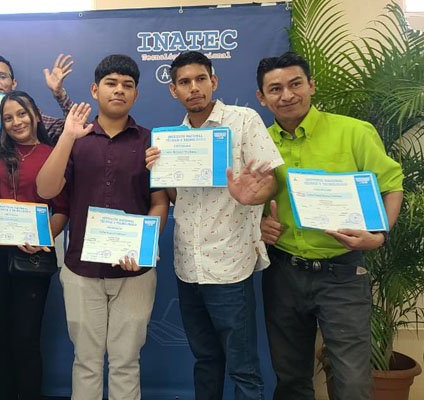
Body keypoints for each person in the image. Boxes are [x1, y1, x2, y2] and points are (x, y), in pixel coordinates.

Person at [255, 52, 404, 400]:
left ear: (311, 85)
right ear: (262, 98)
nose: (287, 95)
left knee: (352, 381)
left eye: (295, 84)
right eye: (275, 89)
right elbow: (251, 202)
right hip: (283, 272)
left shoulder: (353, 132)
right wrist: (259, 226)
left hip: (342, 272)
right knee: (290, 378)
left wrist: (379, 234)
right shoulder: (259, 143)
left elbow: (391, 185)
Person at [145, 51, 283, 400]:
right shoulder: (173, 139)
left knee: (243, 368)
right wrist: (160, 174)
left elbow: (272, 180)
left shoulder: (243, 121)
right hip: (188, 266)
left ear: (214, 81)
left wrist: (252, 196)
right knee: (205, 360)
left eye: (200, 79)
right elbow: (180, 198)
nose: (194, 88)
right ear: (173, 91)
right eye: (184, 82)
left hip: (230, 266)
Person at [36, 54, 170, 400]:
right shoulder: (75, 137)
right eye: (111, 83)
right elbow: (46, 190)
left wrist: (143, 247)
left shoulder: (150, 141)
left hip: (135, 271)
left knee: (126, 361)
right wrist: (67, 136)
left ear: (137, 95)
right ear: (95, 90)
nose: (119, 90)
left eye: (128, 85)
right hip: (81, 269)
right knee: (87, 361)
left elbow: (159, 201)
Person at [0, 53, 75, 400]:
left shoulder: (50, 152)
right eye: (8, 117)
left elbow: (62, 208)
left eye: (22, 114)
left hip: (32, 257)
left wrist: (43, 237)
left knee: (26, 341)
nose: (15, 122)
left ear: (35, 116)